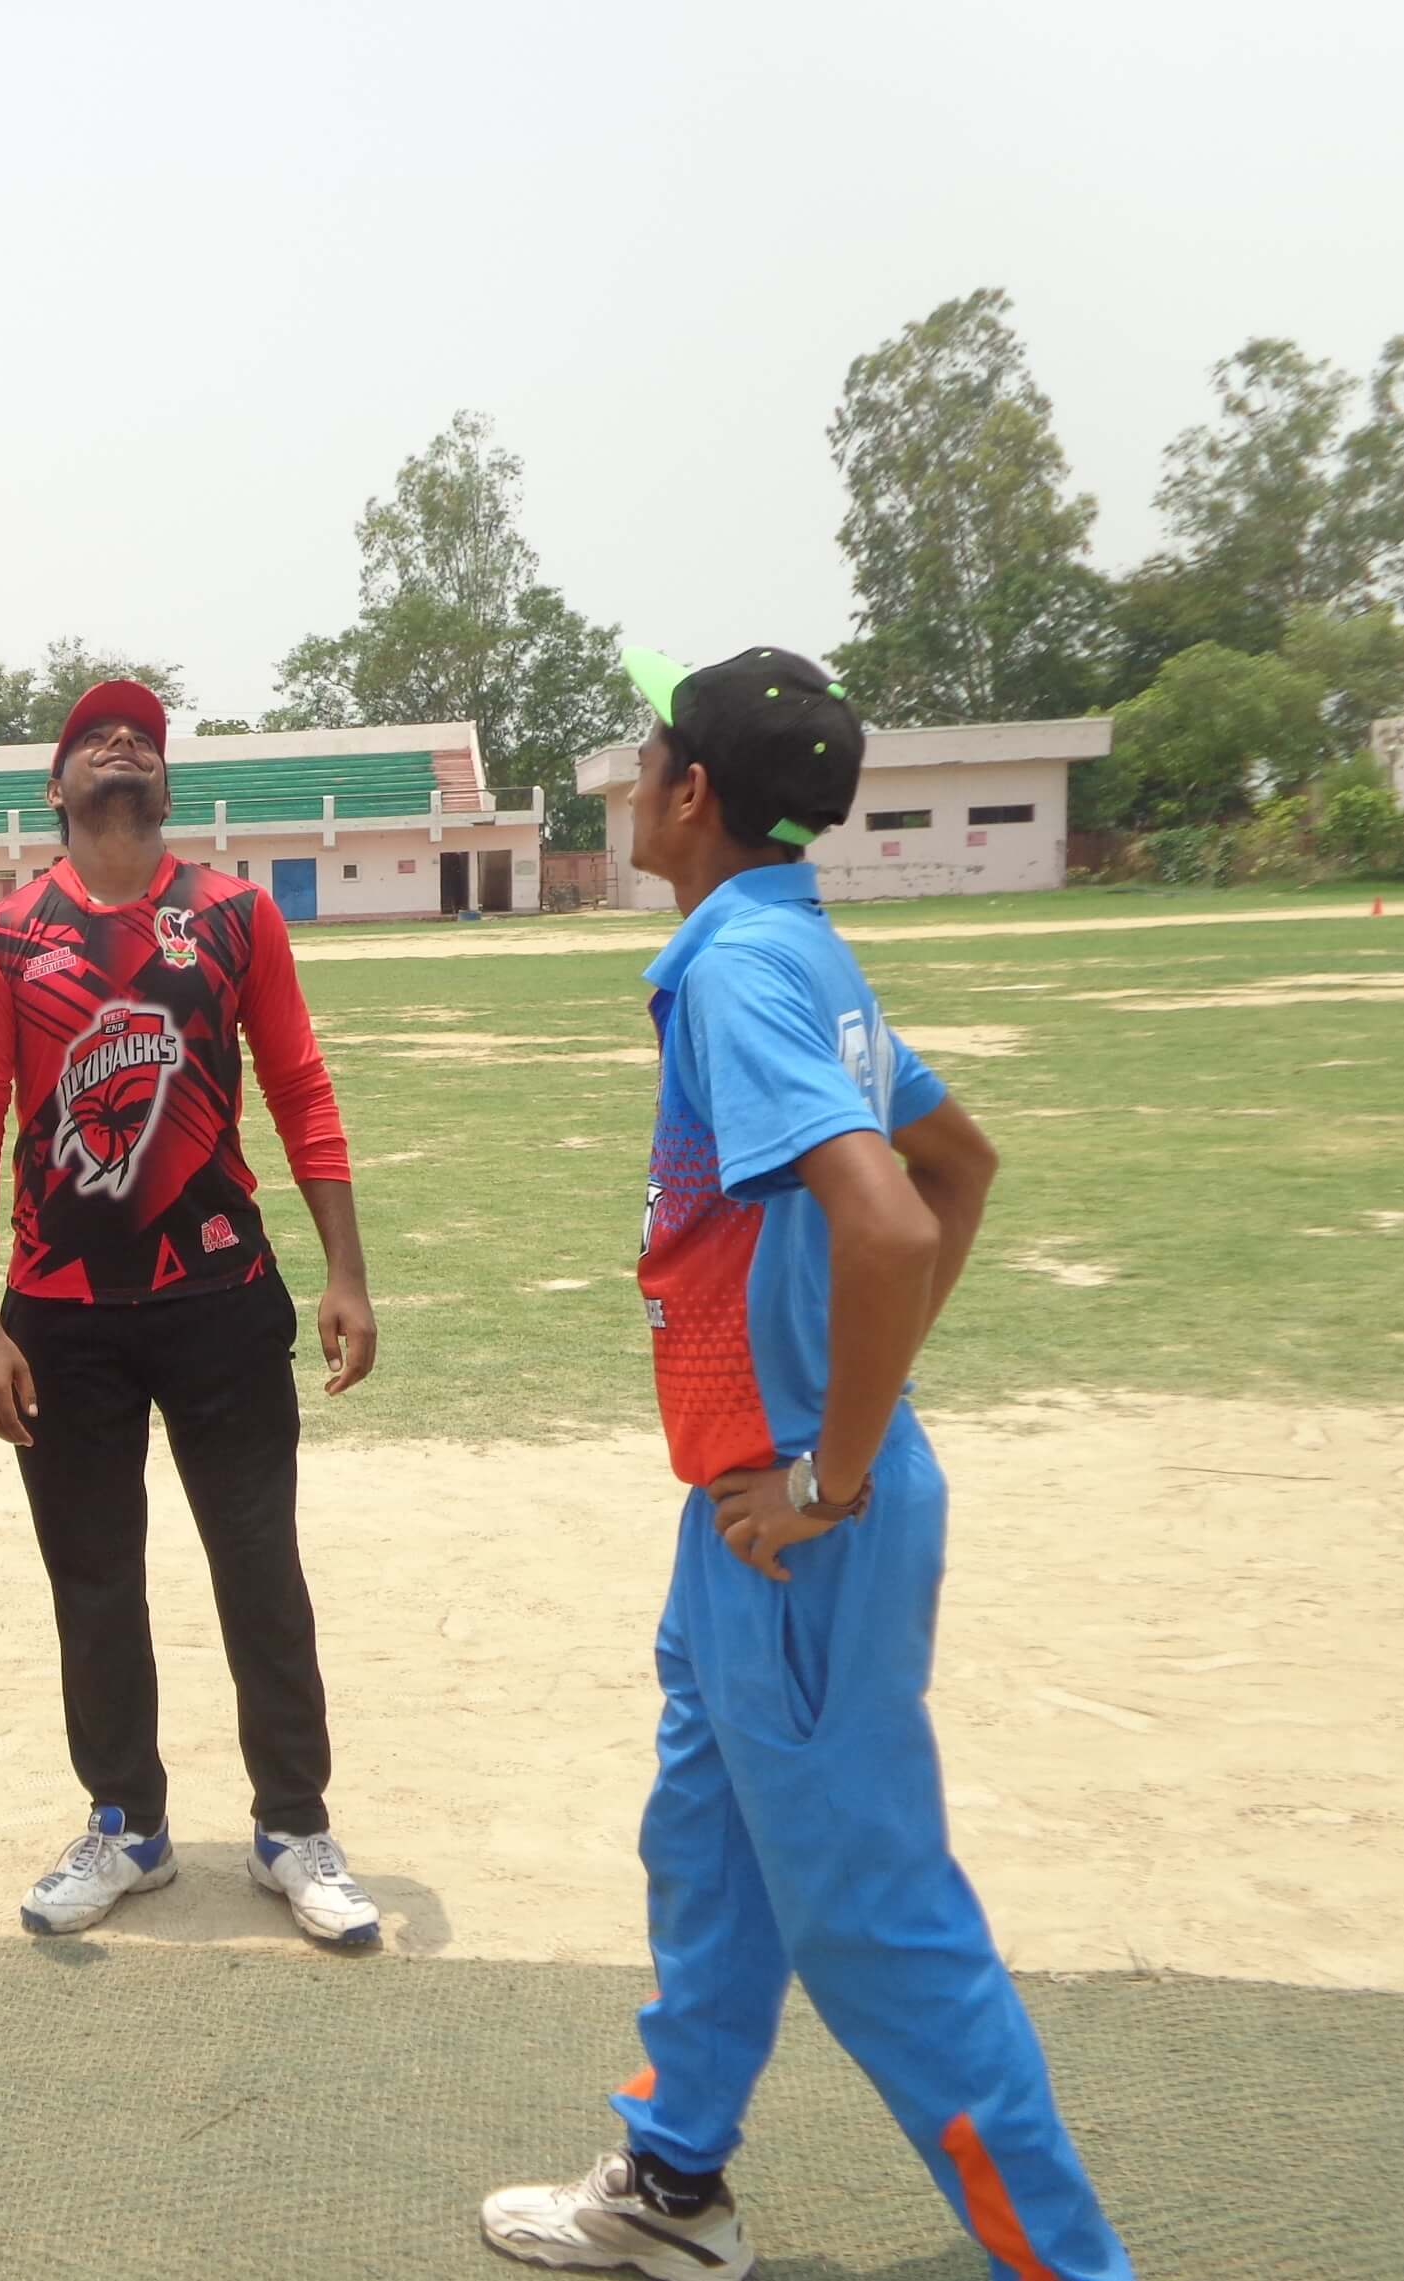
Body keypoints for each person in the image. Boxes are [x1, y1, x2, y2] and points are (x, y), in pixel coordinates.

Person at [479, 649, 1128, 2281]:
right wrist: (853, 1421)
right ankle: (672, 2179)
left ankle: (1067, 2266)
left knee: (877, 1928)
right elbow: (960, 1164)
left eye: (642, 759)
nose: (627, 781)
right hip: (750, 1524)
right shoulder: (797, 949)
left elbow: (898, 1211)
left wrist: (833, 1468)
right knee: (705, 1840)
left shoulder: (735, 973)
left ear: (690, 795)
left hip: (799, 1527)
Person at [0, 677, 385, 1948]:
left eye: (138, 733)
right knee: (92, 1577)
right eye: (92, 737)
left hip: (221, 1296)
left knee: (259, 1568)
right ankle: (124, 1822)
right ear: (56, 785)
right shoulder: (3, 939)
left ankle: (292, 1824)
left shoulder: (234, 915)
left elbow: (300, 1086)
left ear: (164, 779)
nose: (119, 744)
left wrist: (344, 1270)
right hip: (60, 1310)